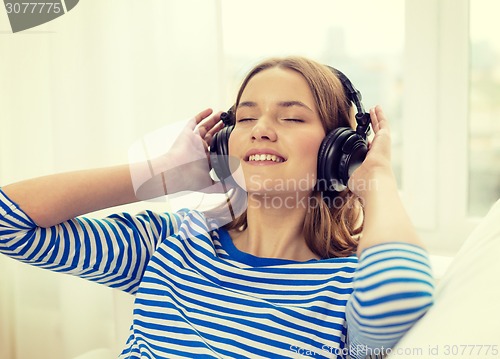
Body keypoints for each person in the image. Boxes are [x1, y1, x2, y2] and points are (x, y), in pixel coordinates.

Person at [0, 56, 434, 359]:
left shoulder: (345, 285)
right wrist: (161, 174)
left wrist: (373, 178)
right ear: (226, 144)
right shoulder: (170, 242)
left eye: (292, 117)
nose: (261, 129)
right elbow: (8, 223)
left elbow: (400, 297)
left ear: (336, 153)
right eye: (246, 118)